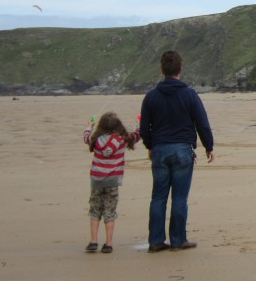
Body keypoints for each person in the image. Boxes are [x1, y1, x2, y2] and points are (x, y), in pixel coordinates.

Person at [139, 50, 215, 252]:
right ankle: (178, 240)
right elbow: (202, 123)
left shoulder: (151, 97)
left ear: (162, 70)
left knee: (158, 197)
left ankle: (156, 240)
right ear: (180, 69)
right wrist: (209, 146)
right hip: (182, 149)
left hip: (161, 149)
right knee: (179, 198)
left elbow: (144, 128)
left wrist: (150, 146)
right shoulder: (189, 94)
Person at [83, 111, 139, 253]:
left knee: (95, 210)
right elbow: (136, 136)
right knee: (110, 211)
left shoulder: (95, 139)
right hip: (112, 181)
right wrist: (139, 123)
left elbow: (86, 137)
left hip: (97, 180)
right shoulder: (121, 140)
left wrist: (90, 125)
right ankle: (108, 243)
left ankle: (93, 241)